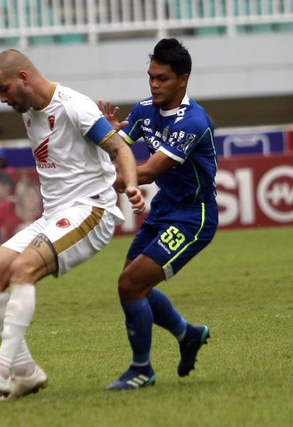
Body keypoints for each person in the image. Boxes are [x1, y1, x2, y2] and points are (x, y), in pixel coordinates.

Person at [0, 49, 145, 400]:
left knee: (23, 268)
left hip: (92, 211)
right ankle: (26, 373)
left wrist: (131, 185)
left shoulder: (74, 105)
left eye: (4, 89)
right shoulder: (29, 109)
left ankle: (0, 370)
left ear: (23, 78)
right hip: (54, 216)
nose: (3, 99)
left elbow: (120, 149)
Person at [98, 38, 218, 390]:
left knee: (131, 284)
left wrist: (109, 186)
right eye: (151, 77)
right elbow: (120, 147)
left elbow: (148, 170)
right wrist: (108, 135)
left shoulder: (193, 122)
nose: (154, 85)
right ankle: (187, 334)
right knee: (133, 285)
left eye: (162, 78)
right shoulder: (143, 110)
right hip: (165, 209)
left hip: (193, 217)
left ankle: (141, 369)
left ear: (183, 79)